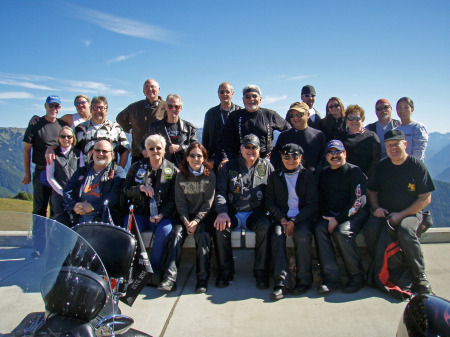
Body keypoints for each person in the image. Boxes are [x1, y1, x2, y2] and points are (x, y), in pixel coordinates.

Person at [363, 130, 435, 294]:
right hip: (385, 212)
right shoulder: (382, 166)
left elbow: (425, 198)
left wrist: (401, 215)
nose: (393, 148)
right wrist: (376, 208)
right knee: (370, 230)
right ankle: (384, 267)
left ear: (405, 144)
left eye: (396, 144)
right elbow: (372, 191)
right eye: (389, 145)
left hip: (411, 213)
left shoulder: (416, 166)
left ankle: (419, 275)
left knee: (405, 230)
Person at [214, 134, 274, 289]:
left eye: (254, 147)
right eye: (247, 147)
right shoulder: (229, 166)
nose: (250, 150)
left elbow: (274, 191)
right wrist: (221, 211)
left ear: (259, 150)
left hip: (256, 212)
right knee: (220, 228)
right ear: (241, 149)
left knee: (265, 226)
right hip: (232, 211)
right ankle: (225, 271)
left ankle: (261, 271)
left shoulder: (266, 166)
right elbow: (220, 192)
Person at [158, 143, 216, 293]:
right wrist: (186, 221)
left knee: (203, 236)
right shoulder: (180, 176)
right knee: (176, 235)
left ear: (204, 158)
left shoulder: (210, 176)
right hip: (184, 217)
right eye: (192, 155)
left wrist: (196, 221)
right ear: (187, 158)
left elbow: (208, 203)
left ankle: (202, 279)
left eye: (199, 156)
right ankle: (169, 279)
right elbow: (180, 202)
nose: (196, 158)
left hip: (202, 218)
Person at [314, 140, 369, 294]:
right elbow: (321, 199)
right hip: (332, 215)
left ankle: (357, 276)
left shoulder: (355, 172)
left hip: (355, 215)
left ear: (345, 154)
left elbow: (359, 201)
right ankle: (331, 278)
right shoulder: (324, 174)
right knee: (319, 229)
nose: (335, 155)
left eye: (338, 152)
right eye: (331, 152)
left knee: (342, 233)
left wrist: (338, 220)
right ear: (326, 157)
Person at [265, 144, 318, 300]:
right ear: (281, 157)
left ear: (301, 158)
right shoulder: (275, 176)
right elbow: (269, 201)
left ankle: (304, 280)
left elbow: (312, 204)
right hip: (282, 218)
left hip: (302, 218)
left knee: (302, 235)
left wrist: (294, 221)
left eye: (295, 156)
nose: (290, 160)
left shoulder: (308, 176)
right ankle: (281, 283)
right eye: (286, 156)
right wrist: (282, 219)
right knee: (276, 235)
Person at [122, 134, 177, 283]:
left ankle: (154, 270)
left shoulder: (172, 170)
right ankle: (130, 270)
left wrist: (163, 214)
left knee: (165, 231)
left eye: (158, 148)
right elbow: (125, 189)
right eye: (151, 148)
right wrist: (139, 188)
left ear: (164, 150)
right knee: (128, 227)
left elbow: (174, 199)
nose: (155, 151)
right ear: (146, 150)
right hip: (139, 213)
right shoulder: (136, 167)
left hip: (161, 215)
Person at [22, 95, 68, 217]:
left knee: (56, 208)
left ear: (60, 107)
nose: (53, 108)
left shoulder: (63, 125)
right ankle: (38, 235)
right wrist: (27, 173)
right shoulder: (35, 124)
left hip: (58, 172)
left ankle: (53, 236)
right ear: (45, 106)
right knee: (39, 208)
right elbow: (26, 150)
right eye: (51, 105)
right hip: (41, 170)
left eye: (56, 106)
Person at [63, 139, 126, 225]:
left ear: (112, 154)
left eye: (104, 151)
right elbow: (67, 190)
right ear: (93, 152)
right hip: (77, 219)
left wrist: (93, 206)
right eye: (97, 150)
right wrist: (73, 205)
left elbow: (115, 195)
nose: (100, 154)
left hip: (104, 221)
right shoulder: (82, 171)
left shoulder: (118, 172)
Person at [221, 85, 290, 161]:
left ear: (260, 99)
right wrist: (226, 158)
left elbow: (288, 130)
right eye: (247, 96)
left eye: (254, 96)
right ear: (243, 100)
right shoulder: (234, 116)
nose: (251, 99)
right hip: (240, 161)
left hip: (265, 160)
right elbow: (225, 139)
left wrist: (277, 151)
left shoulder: (269, 115)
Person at [116, 79, 166, 164]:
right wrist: (130, 130)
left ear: (159, 89)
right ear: (143, 91)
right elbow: (120, 118)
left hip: (159, 154)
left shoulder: (166, 107)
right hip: (138, 153)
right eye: (147, 87)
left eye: (152, 87)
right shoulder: (134, 107)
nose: (150, 89)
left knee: (160, 177)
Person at [141, 94, 197, 167]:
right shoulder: (155, 127)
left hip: (183, 168)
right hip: (161, 168)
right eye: (170, 106)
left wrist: (181, 147)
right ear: (165, 107)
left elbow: (196, 147)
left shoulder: (189, 128)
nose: (173, 109)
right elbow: (142, 144)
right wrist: (144, 151)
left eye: (176, 107)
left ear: (180, 108)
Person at [271, 101, 326, 175]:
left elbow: (323, 161)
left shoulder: (318, 135)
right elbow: (275, 159)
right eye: (292, 115)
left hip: (312, 181)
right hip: (288, 180)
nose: (295, 118)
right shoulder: (284, 136)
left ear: (308, 115)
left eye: (299, 114)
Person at [75, 96, 130, 168]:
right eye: (95, 107)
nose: (98, 110)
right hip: (86, 174)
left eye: (101, 108)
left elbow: (125, 150)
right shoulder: (80, 129)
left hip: (109, 176)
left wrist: (119, 169)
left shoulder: (115, 128)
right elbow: (73, 152)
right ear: (91, 110)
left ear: (106, 110)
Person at [46, 126, 84, 218]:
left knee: (75, 218)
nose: (66, 139)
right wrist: (61, 191)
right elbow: (50, 176)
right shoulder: (53, 153)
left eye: (69, 136)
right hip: (58, 195)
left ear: (73, 138)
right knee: (59, 219)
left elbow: (82, 174)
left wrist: (73, 189)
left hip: (74, 194)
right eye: (63, 136)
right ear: (59, 138)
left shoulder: (78, 153)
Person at [202, 82, 242, 170]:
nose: (224, 94)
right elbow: (206, 138)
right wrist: (206, 159)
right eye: (222, 92)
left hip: (236, 158)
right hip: (214, 158)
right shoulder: (210, 113)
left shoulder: (240, 112)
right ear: (218, 94)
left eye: (227, 92)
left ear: (232, 93)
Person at [337, 105, 381, 178]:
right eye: (350, 118)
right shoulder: (340, 137)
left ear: (362, 120)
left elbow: (376, 159)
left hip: (365, 179)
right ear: (346, 120)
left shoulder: (371, 136)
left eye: (357, 118)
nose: (354, 121)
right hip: (344, 177)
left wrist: (366, 175)